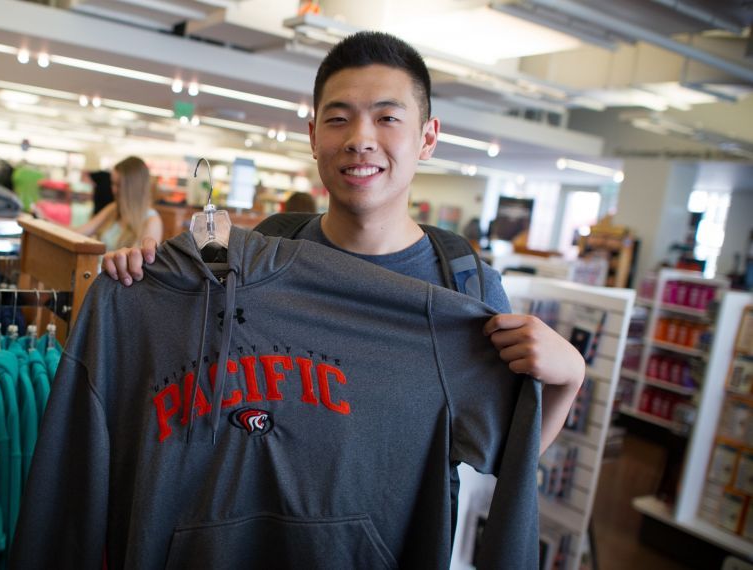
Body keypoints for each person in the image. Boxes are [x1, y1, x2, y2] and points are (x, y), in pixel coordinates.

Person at [101, 32, 584, 456]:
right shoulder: (253, 259)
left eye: (387, 118)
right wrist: (139, 277)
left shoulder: (466, 291)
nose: (360, 139)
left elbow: (503, 455)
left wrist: (568, 380)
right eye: (338, 119)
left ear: (428, 138)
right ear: (313, 136)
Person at [76, 156, 163, 249]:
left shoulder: (152, 221)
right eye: (112, 183)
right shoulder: (114, 208)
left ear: (133, 188)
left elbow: (140, 260)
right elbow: (81, 232)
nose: (113, 190)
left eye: (119, 185)